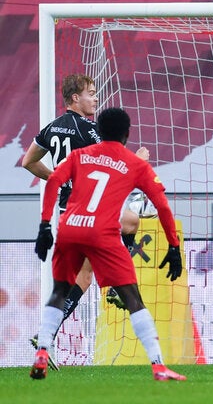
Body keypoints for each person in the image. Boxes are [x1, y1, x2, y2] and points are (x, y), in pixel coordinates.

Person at [31, 107, 185, 381]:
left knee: (59, 290)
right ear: (127, 134)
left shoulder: (79, 155)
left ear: (98, 132)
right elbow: (161, 206)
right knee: (132, 298)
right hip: (103, 233)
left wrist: (45, 225)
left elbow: (54, 179)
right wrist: (173, 246)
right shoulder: (135, 164)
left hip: (70, 227)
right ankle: (159, 366)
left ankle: (42, 351)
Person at [20, 74, 148, 365]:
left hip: (68, 210)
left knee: (85, 274)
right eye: (91, 93)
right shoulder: (90, 130)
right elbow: (119, 164)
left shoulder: (51, 128)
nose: (96, 98)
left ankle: (46, 335)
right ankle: (114, 286)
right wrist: (140, 158)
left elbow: (28, 161)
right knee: (129, 224)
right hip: (89, 209)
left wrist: (58, 179)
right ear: (74, 98)